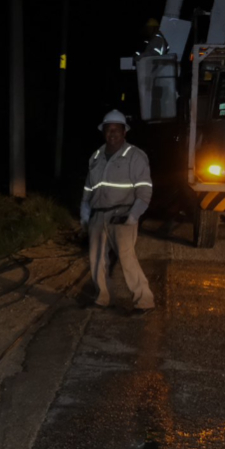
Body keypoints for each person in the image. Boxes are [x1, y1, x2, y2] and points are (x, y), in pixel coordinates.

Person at [80, 109, 155, 313]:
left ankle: (144, 300)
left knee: (127, 259)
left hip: (121, 215)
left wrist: (133, 216)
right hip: (98, 216)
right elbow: (88, 188)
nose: (112, 133)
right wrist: (85, 213)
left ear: (124, 132)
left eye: (116, 130)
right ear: (103, 132)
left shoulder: (135, 156)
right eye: (108, 130)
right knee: (96, 260)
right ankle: (102, 297)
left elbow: (144, 192)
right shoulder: (95, 156)